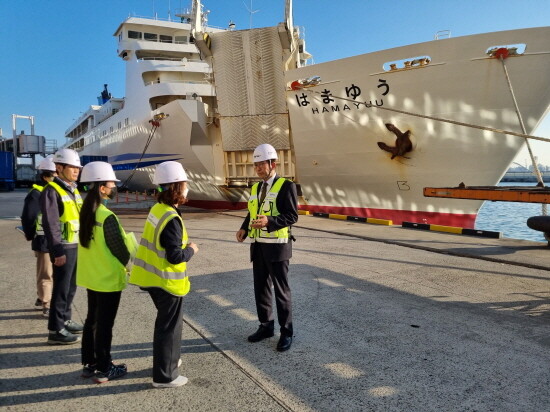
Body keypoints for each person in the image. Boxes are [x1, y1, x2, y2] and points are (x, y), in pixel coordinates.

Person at [129, 161, 199, 388]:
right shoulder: (171, 218)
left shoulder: (157, 210)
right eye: (185, 184)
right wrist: (192, 249)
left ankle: (168, 361)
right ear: (176, 187)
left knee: (165, 326)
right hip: (166, 281)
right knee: (169, 329)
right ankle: (165, 376)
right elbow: (175, 256)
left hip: (152, 278)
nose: (187, 187)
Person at [77, 162, 137, 383]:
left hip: (92, 276)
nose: (114, 187)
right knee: (105, 324)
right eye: (112, 183)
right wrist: (131, 267)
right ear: (102, 187)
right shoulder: (105, 215)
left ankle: (90, 363)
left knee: (92, 320)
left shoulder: (86, 211)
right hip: (108, 278)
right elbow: (120, 250)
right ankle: (104, 368)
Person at [236, 144, 298, 352]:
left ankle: (287, 333)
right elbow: (252, 213)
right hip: (259, 246)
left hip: (278, 247)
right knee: (261, 289)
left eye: (262, 164)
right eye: (256, 165)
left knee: (281, 291)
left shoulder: (286, 186)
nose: (258, 168)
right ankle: (266, 326)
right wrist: (244, 228)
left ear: (273, 164)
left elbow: (292, 216)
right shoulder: (255, 188)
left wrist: (269, 222)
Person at [41, 148, 84, 345]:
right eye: (72, 167)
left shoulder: (73, 189)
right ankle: (55, 329)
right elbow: (51, 224)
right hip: (64, 248)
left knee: (71, 287)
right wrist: (57, 251)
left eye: (77, 167)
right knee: (60, 288)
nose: (76, 170)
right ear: (59, 167)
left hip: (75, 245)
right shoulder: (52, 191)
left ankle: (65, 319)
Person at [21, 156, 57, 317]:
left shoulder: (56, 191)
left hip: (58, 239)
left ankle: (41, 297)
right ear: (45, 177)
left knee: (51, 273)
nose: (57, 177)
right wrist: (30, 235)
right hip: (44, 239)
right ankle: (46, 304)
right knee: (46, 273)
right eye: (54, 175)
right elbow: (28, 216)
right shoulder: (37, 194)